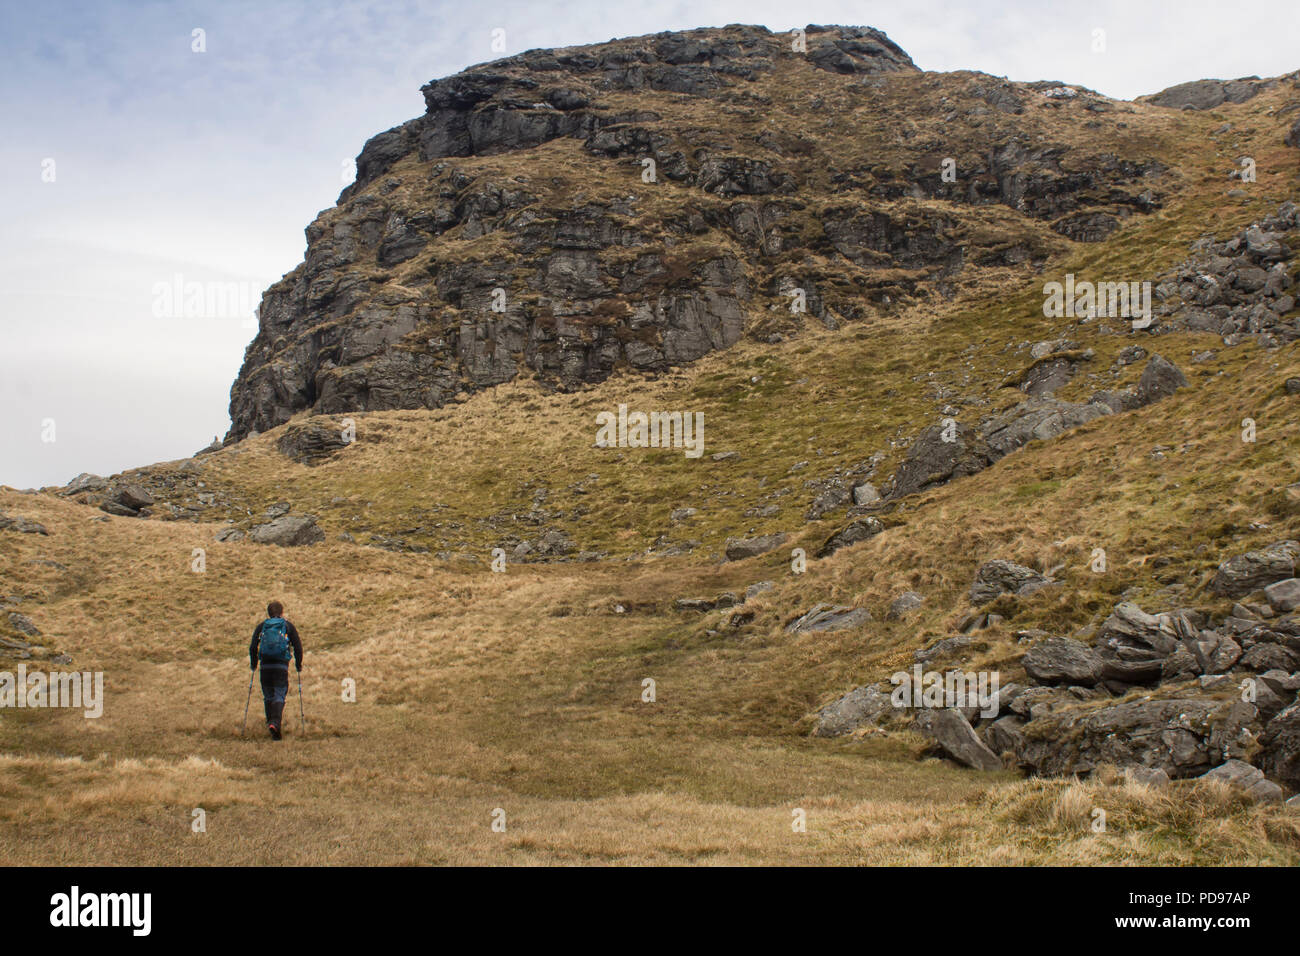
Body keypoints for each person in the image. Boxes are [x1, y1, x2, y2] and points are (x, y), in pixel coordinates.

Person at [249, 601, 303, 740]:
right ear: (282, 612)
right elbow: (298, 646)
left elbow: (253, 646)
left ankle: (272, 727)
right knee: (279, 694)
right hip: (281, 666)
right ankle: (274, 724)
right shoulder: (287, 626)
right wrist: (298, 664)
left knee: (268, 695)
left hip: (265, 666)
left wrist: (254, 663)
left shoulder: (262, 627)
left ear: (269, 613)